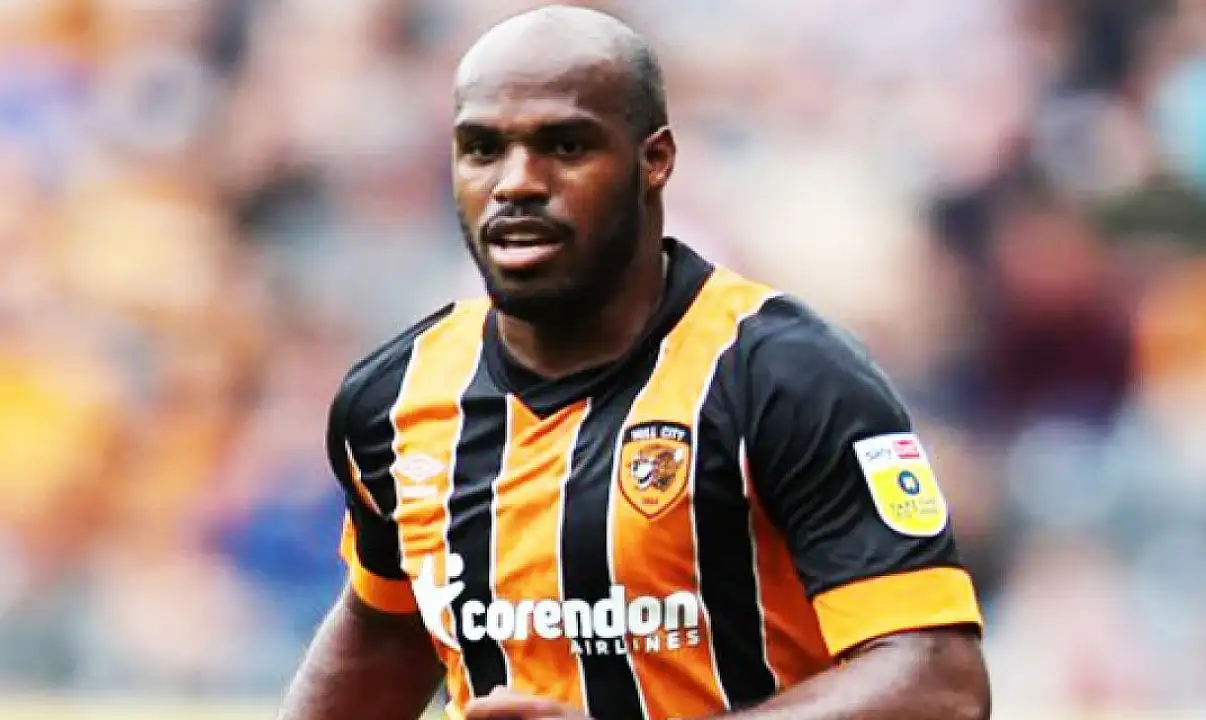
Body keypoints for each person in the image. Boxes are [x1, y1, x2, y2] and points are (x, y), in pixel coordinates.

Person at [278, 6, 990, 720]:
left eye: (565, 145)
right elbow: (386, 627)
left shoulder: (785, 377)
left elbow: (941, 685)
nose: (516, 182)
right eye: (483, 149)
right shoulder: (395, 399)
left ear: (655, 160)